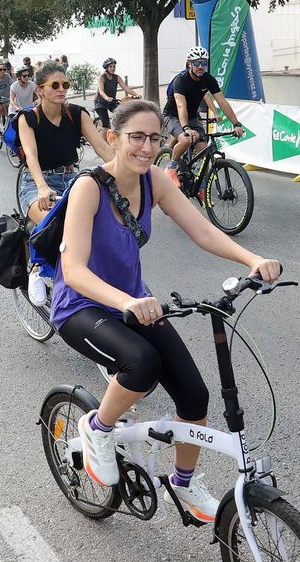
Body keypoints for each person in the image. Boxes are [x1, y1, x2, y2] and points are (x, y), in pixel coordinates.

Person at [59, 99, 283, 521]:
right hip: (81, 308)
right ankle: (97, 428)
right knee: (141, 364)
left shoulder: (155, 181)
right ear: (113, 138)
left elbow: (203, 230)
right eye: (136, 137)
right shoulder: (88, 188)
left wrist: (251, 259)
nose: (147, 147)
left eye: (155, 138)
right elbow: (72, 270)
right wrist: (127, 301)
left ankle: (183, 482)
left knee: (194, 396)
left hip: (134, 303)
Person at [19, 61, 116, 304]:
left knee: (102, 223)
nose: (61, 89)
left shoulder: (77, 114)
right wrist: (42, 186)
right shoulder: (28, 118)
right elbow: (30, 156)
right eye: (55, 85)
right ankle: (36, 268)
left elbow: (102, 147)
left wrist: (127, 172)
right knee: (56, 224)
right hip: (36, 181)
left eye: (65, 84)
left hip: (73, 179)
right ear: (40, 89)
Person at [161, 46, 243, 183]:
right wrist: (186, 128)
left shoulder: (208, 79)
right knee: (186, 139)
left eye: (204, 63)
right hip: (173, 116)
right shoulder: (181, 80)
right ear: (189, 64)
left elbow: (222, 102)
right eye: (197, 63)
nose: (200, 67)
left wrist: (236, 123)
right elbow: (181, 106)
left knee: (204, 153)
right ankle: (171, 168)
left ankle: (202, 187)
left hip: (192, 117)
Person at [94, 58, 137, 128]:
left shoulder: (116, 77)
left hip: (111, 101)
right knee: (106, 125)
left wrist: (136, 95)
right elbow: (101, 91)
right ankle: (103, 137)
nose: (113, 68)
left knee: (123, 113)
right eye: (110, 66)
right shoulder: (102, 77)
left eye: (114, 66)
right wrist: (106, 97)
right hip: (100, 103)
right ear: (106, 68)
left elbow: (125, 87)